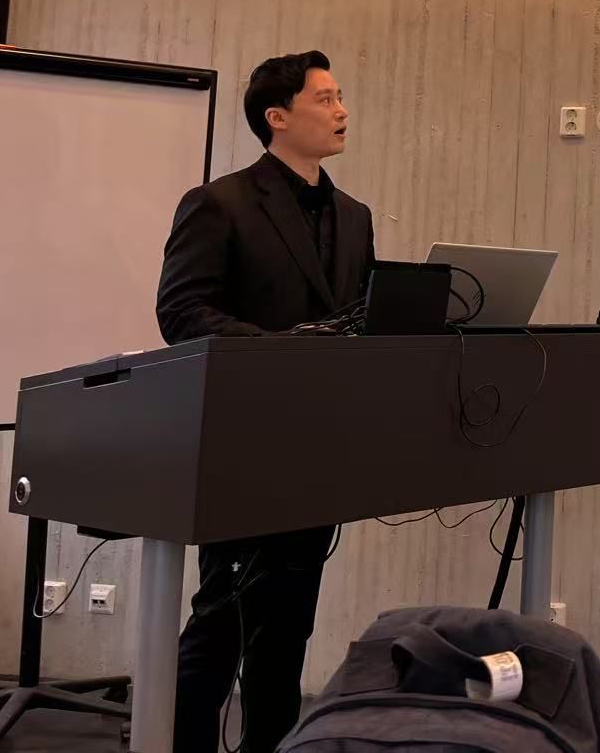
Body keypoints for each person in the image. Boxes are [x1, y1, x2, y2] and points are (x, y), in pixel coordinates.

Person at [156, 50, 375, 753]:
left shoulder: (356, 216)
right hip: (241, 442)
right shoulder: (218, 203)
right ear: (277, 117)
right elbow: (182, 312)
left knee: (288, 631)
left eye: (340, 96)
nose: (341, 110)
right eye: (324, 99)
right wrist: (280, 346)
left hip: (317, 446)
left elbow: (360, 319)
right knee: (221, 622)